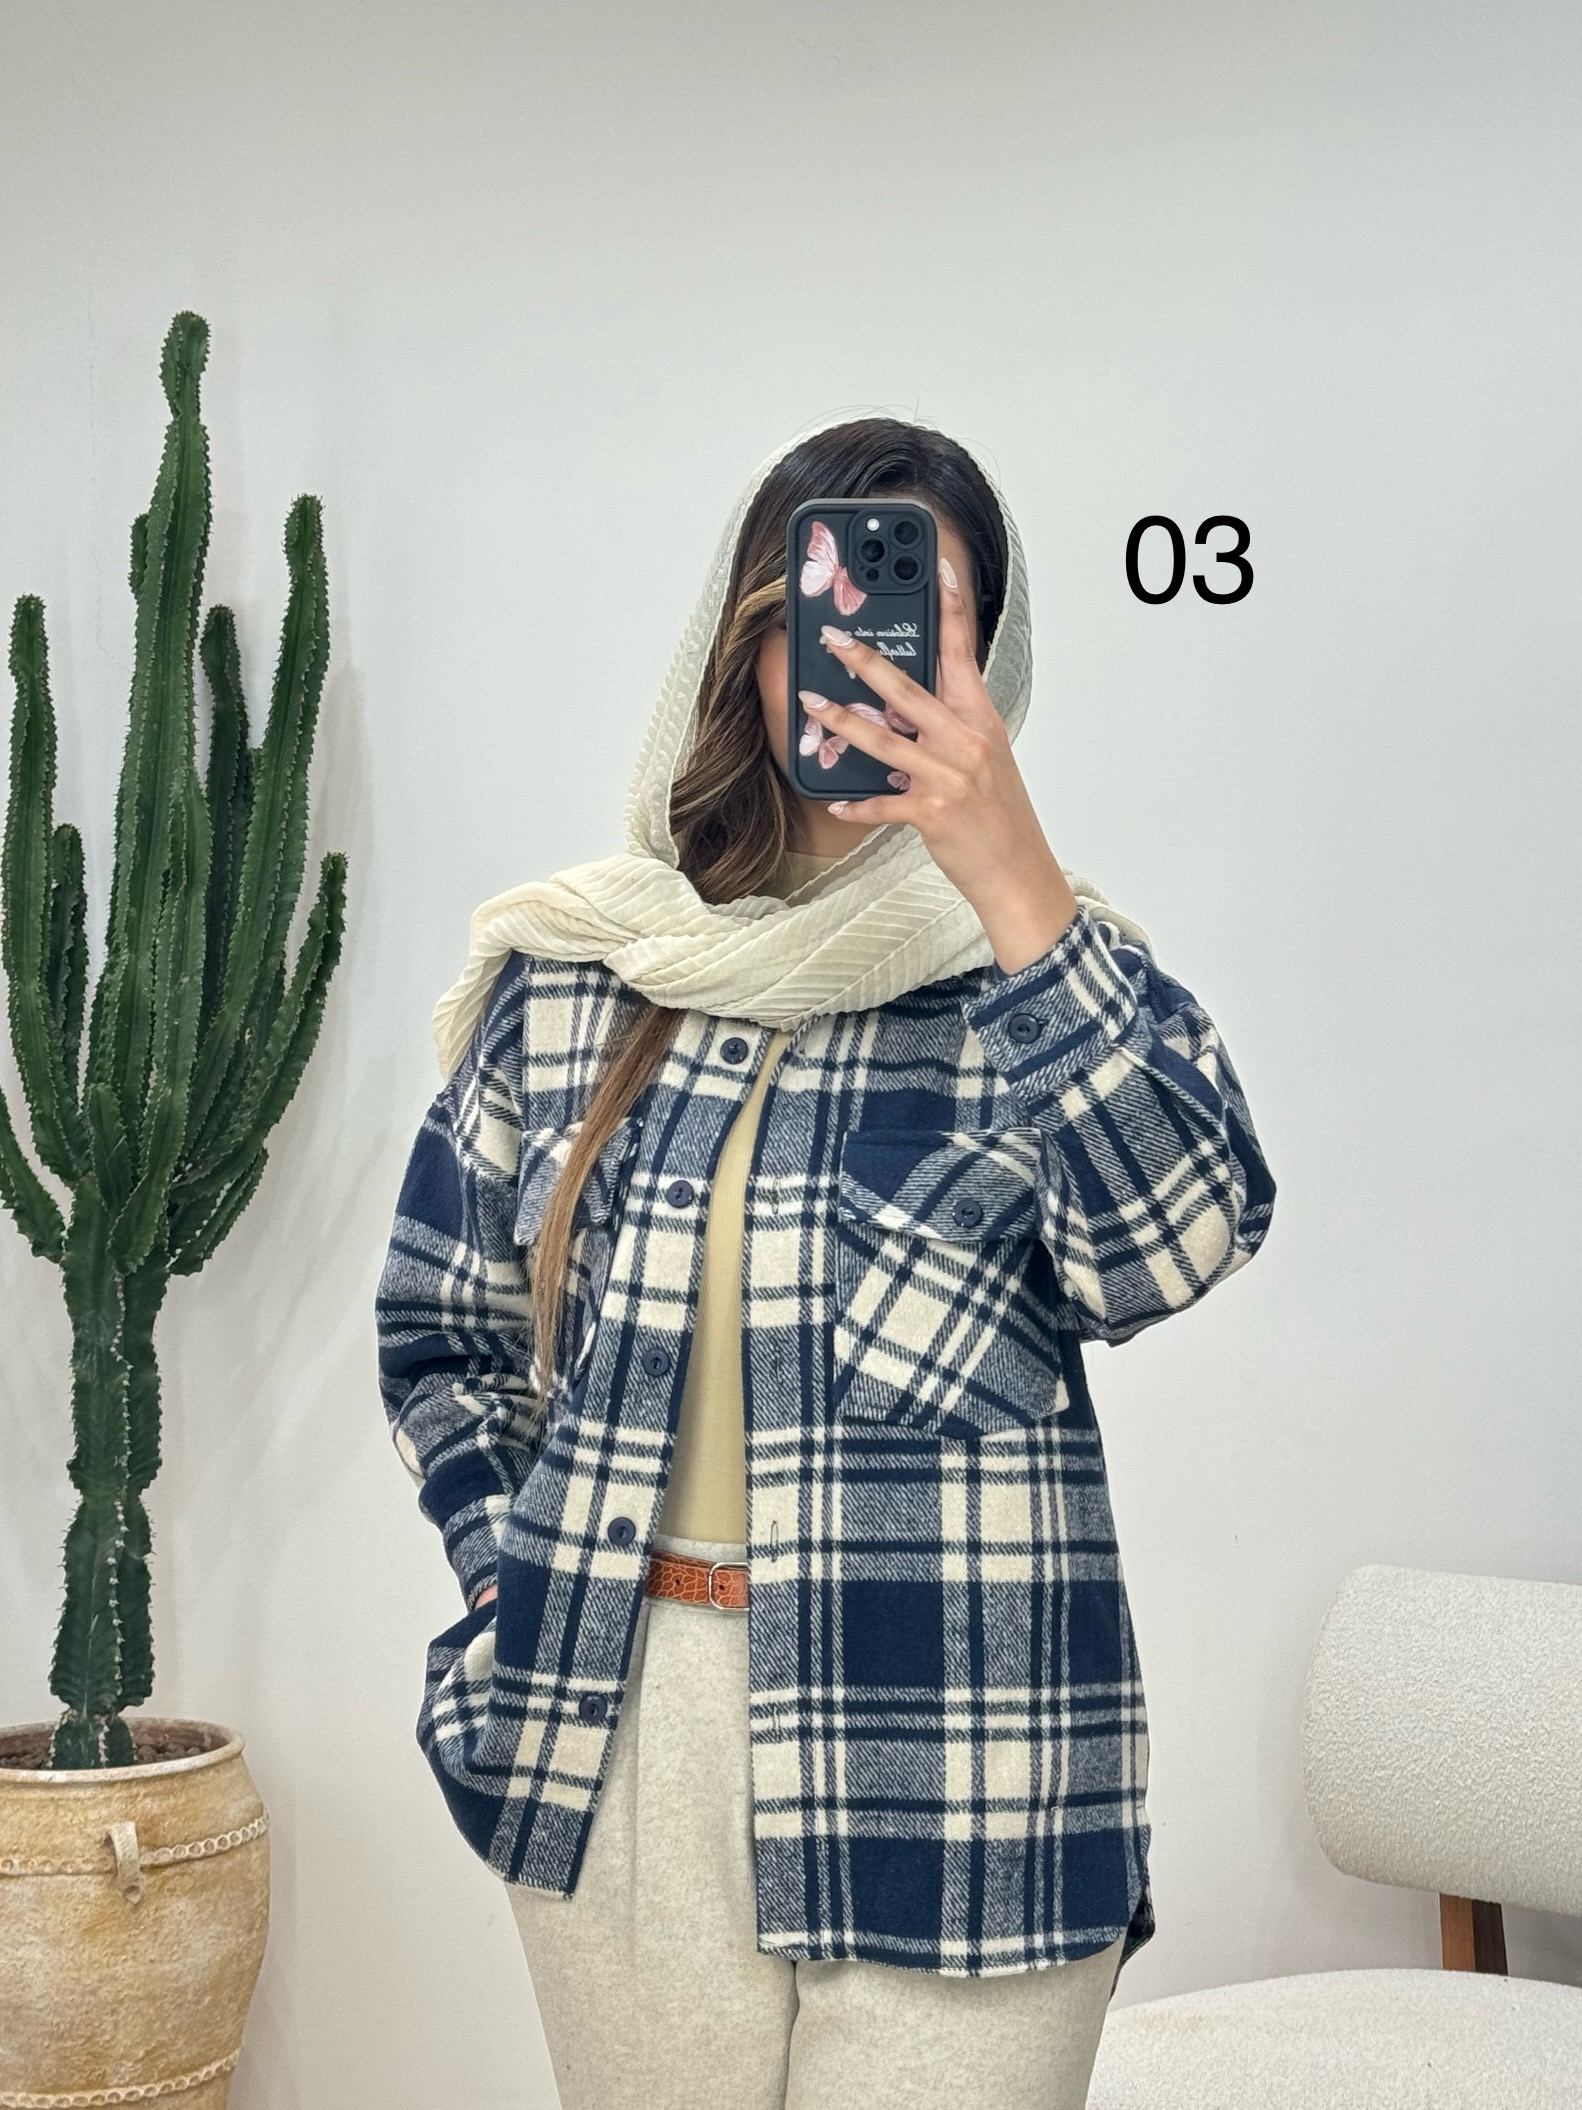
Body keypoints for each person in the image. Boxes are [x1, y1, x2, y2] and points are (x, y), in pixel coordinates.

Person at [375, 414, 1276, 2110]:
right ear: (746, 640)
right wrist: (510, 1584)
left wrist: (1011, 879)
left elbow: (1177, 1242)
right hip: (615, 1733)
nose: (866, 660)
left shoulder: (1050, 980)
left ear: (988, 664)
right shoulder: (580, 975)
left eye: (920, 618)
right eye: (823, 610)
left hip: (970, 1749)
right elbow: (444, 1330)